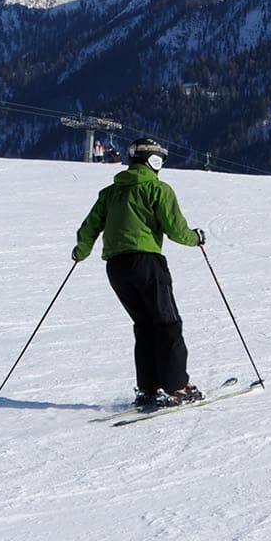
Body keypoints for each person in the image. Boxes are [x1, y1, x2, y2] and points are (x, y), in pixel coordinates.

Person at [73, 137, 206, 408]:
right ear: (153, 161)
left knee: (145, 326)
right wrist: (196, 238)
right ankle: (176, 387)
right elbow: (175, 230)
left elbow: (90, 227)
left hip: (116, 269)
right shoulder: (158, 189)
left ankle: (148, 388)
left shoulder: (110, 193)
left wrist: (81, 251)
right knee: (167, 324)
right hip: (146, 262)